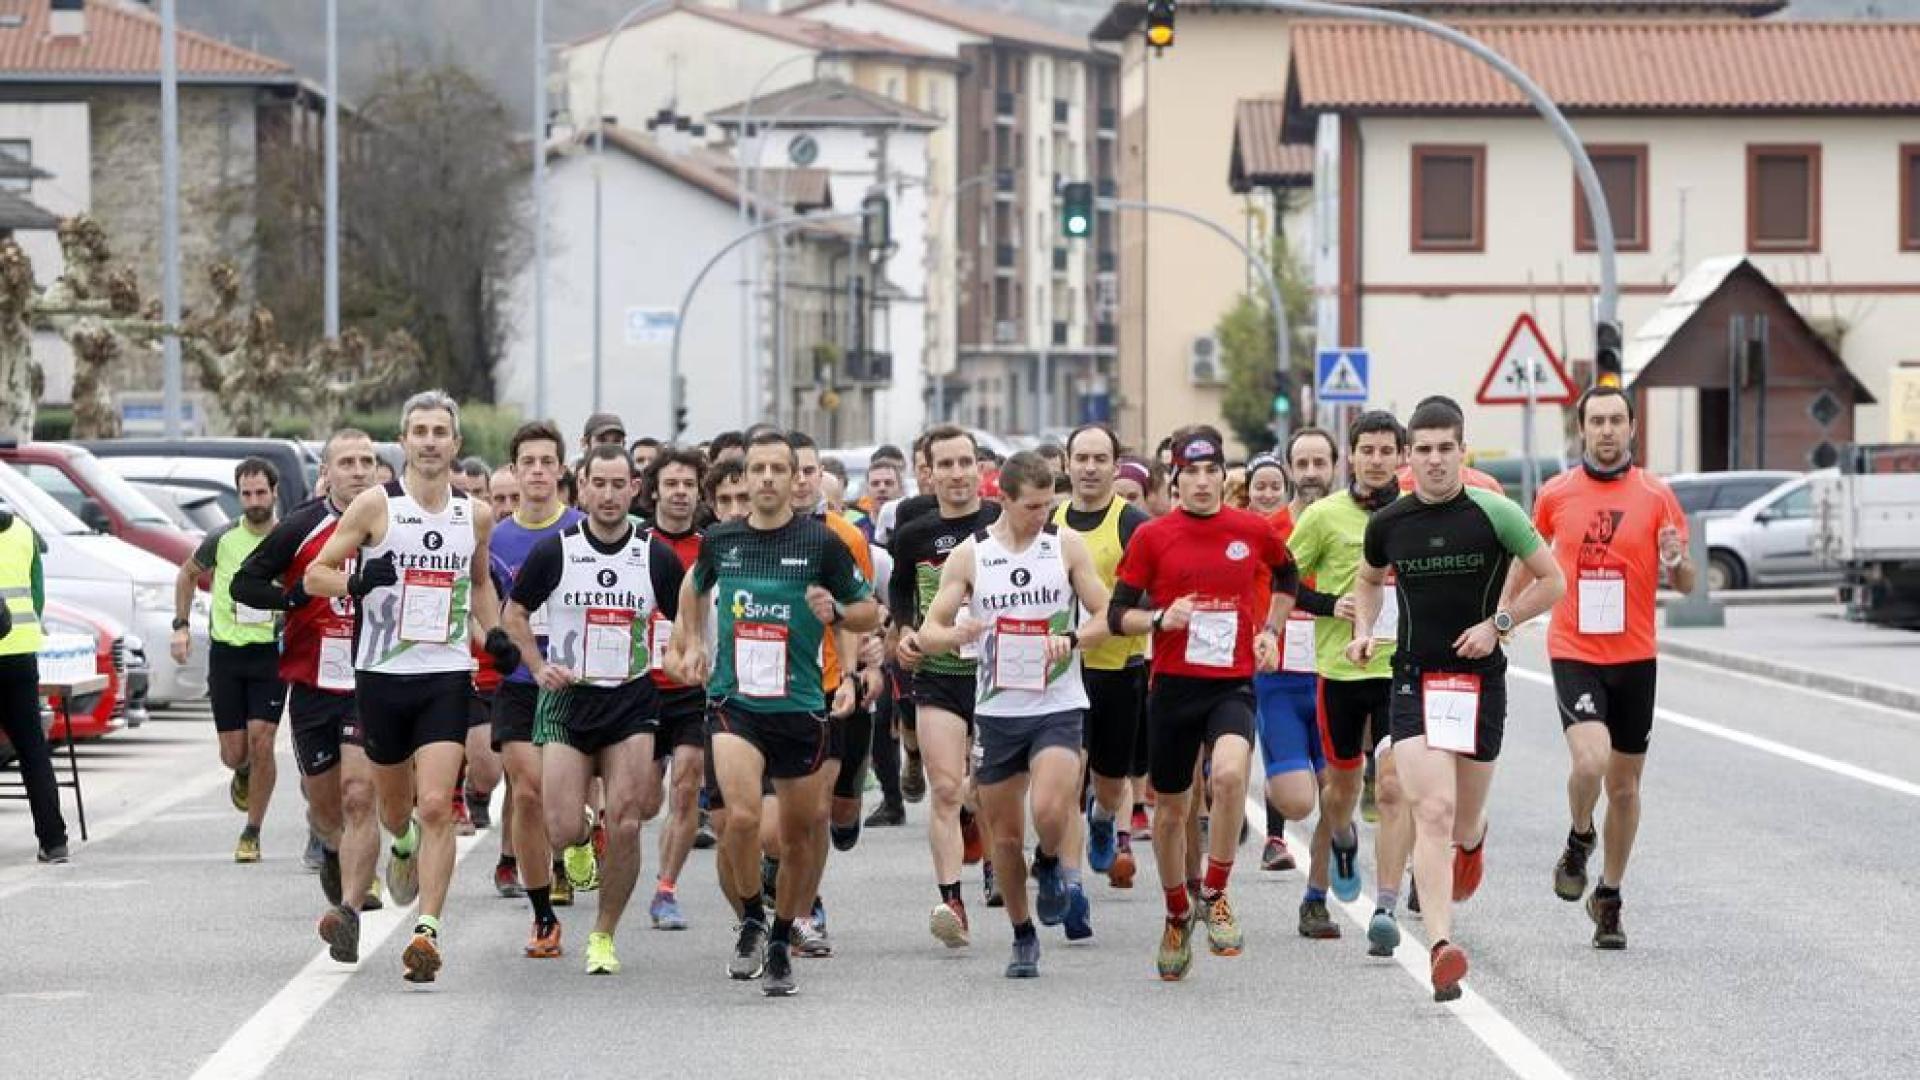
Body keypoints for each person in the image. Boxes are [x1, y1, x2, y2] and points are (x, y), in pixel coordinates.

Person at [1346, 398, 1565, 1001]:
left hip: (1478, 683)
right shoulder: (1390, 522)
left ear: (1462, 452)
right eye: (1424, 449)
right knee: (1433, 811)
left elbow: (1552, 580)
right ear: (1409, 458)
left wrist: (1498, 622)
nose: (1435, 460)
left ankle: (1474, 843)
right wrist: (1364, 631)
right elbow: (1367, 579)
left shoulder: (1495, 512)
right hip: (1414, 677)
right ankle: (1441, 946)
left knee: (1463, 820)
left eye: (1446, 448)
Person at [305, 390, 514, 984]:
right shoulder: (375, 507)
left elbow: (478, 586)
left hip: (445, 675)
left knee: (434, 807)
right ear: (405, 441)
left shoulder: (473, 514)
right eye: (418, 430)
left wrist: (492, 633)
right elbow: (317, 574)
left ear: (455, 444)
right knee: (396, 811)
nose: (428, 441)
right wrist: (356, 581)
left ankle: (427, 933)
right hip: (380, 676)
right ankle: (401, 849)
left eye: (438, 431)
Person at [665, 429, 880, 998]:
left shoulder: (822, 544)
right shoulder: (722, 540)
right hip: (735, 703)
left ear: (793, 478)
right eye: (755, 469)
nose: (764, 479)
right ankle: (752, 921)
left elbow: (865, 612)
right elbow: (694, 587)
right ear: (744, 477)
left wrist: (834, 607)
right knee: (737, 817)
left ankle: (782, 938)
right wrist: (689, 642)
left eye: (775, 470)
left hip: (801, 706)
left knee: (798, 834)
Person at [1107, 426, 1301, 981]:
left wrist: (1270, 631)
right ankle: (1175, 914)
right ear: (1174, 480)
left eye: (1209, 471)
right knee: (1171, 810)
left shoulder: (1249, 530)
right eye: (1188, 473)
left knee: (1231, 778)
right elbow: (1121, 613)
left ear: (1223, 476)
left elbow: (1286, 574)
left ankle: (1214, 891)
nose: (1200, 481)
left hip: (1231, 682)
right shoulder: (1153, 537)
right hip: (1172, 687)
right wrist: (1160, 618)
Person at [1509, 385, 1691, 950]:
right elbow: (1528, 559)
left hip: (1635, 655)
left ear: (1632, 428)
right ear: (1581, 430)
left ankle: (1609, 896)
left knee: (1627, 788)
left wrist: (1677, 562)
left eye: (1617, 420)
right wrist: (1503, 617)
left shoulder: (1657, 496)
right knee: (1589, 761)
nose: (1607, 430)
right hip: (1575, 649)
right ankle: (1579, 836)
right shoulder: (1555, 493)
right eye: (1597, 421)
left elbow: (1687, 583)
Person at [918, 451, 1112, 977]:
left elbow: (1106, 614)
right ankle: (1023, 934)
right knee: (1003, 837)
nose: (1042, 515)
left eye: (1049, 505)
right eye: (1032, 506)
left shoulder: (1065, 545)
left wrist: (1071, 639)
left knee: (1052, 808)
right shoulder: (971, 556)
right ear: (1000, 498)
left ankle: (1050, 862)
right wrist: (955, 633)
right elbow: (928, 630)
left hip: (1058, 703)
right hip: (1000, 709)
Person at [503, 444, 684, 976]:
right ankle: (580, 840)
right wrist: (537, 667)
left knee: (626, 823)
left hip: (630, 698)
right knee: (558, 828)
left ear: (634, 490)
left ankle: (603, 934)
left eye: (618, 485)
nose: (607, 495)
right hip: (567, 700)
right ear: (580, 489)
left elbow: (688, 623)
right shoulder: (556, 552)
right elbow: (515, 615)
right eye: (597, 484)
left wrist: (679, 658)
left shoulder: (655, 557)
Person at [233, 430, 387, 960]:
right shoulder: (301, 526)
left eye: (368, 461)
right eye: (347, 462)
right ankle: (330, 847)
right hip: (313, 684)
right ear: (328, 471)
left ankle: (349, 914)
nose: (360, 470)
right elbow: (243, 584)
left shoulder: (396, 523)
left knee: (359, 796)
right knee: (326, 808)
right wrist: (292, 596)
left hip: (370, 682)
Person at [1284, 412, 1414, 949]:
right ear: (1352, 456)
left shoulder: (1416, 514)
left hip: (1397, 670)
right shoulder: (1323, 515)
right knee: (1338, 793)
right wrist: (1326, 604)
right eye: (1368, 450)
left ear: (1401, 456)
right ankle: (1321, 884)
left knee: (1390, 786)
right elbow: (1280, 577)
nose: (1377, 460)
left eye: (1387, 451)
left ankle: (1385, 906)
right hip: (1338, 669)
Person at [889, 425, 1002, 947]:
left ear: (979, 467)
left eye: (966, 462)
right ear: (929, 472)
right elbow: (901, 605)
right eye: (946, 464)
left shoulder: (1002, 523)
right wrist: (908, 638)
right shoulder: (914, 532)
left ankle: (993, 859)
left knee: (986, 791)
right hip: (939, 676)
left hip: (997, 677)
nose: (957, 473)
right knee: (947, 790)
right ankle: (951, 901)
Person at [487, 421, 587, 953]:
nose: (538, 472)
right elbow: (483, 604)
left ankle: (575, 838)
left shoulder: (582, 530)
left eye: (548, 462)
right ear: (515, 470)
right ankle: (543, 914)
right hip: (522, 682)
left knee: (563, 804)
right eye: (529, 462)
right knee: (526, 790)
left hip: (576, 684)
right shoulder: (497, 538)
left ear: (562, 470)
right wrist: (493, 643)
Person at [172, 457, 287, 863]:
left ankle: (252, 831)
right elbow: (186, 575)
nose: (254, 501)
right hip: (226, 655)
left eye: (261, 492)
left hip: (269, 655)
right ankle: (241, 772)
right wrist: (181, 626)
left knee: (263, 742)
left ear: (275, 492)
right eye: (246, 493)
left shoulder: (288, 538)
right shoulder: (221, 538)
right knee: (234, 753)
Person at [1054, 424, 1152, 893]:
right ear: (1066, 463)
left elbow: (1147, 598)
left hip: (1118, 669)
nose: (1090, 468)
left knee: (1110, 783)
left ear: (1116, 466)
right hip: (1059, 670)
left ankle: (1103, 817)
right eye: (1082, 458)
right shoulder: (1048, 521)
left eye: (1100, 459)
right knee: (1067, 774)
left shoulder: (1131, 523)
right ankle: (1066, 878)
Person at [1252, 435, 1337, 883]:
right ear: (1289, 470)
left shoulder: (1351, 523)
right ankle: (1277, 823)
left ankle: (1322, 883)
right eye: (1301, 463)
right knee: (1300, 800)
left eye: (1319, 462)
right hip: (1279, 677)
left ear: (1334, 466)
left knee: (1336, 794)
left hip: (1333, 674)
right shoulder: (1268, 533)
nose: (1310, 472)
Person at [637, 448, 709, 932]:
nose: (680, 492)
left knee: (685, 787)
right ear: (655, 491)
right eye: (672, 483)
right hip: (640, 687)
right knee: (642, 802)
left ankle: (666, 888)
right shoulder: (635, 545)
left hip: (693, 688)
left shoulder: (714, 549)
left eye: (689, 484)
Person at [0, 505, 68, 863]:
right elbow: (37, 595)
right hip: (20, 654)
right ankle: (54, 841)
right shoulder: (24, 531)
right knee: (31, 749)